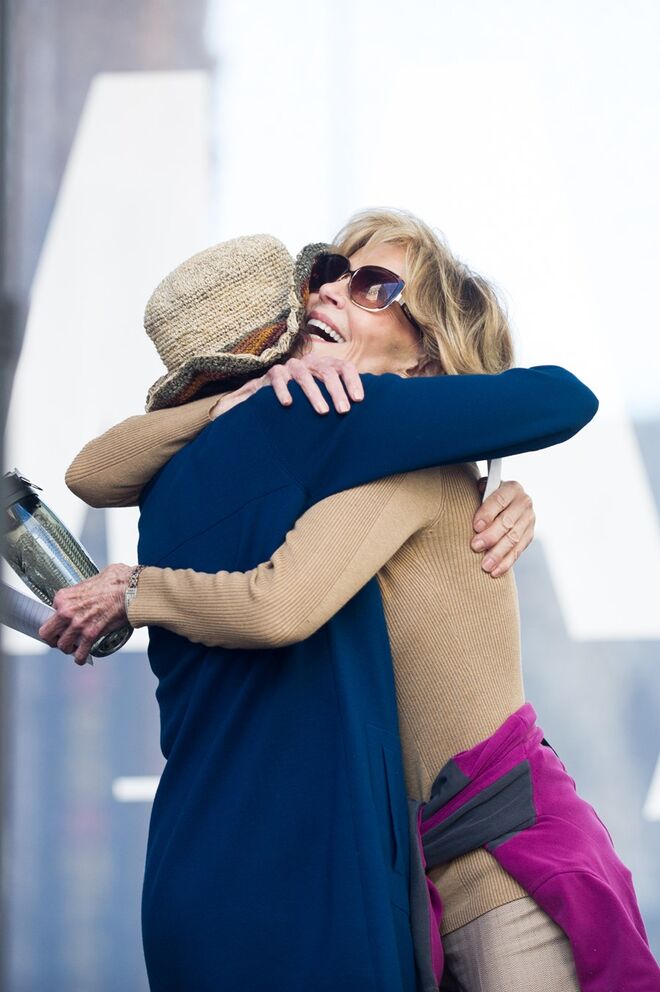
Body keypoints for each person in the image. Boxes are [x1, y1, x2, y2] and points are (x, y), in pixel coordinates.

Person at [43, 213, 656, 990]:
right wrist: (235, 400)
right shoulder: (326, 452)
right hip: (423, 885)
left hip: (498, 876)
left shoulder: (401, 465)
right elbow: (96, 470)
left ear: (425, 354)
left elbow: (276, 606)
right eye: (331, 272)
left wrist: (137, 589)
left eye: (375, 287)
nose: (332, 289)